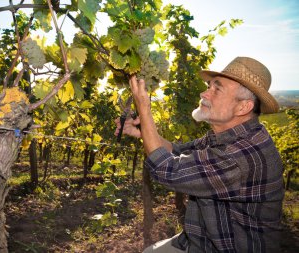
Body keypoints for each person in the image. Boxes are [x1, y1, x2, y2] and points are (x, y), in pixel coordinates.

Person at [115, 57, 285, 252]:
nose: (204, 93)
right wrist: (143, 132)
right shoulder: (226, 135)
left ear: (243, 107)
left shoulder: (243, 155)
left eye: (217, 89)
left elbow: (166, 170)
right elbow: (178, 152)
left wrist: (144, 109)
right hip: (200, 241)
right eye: (208, 86)